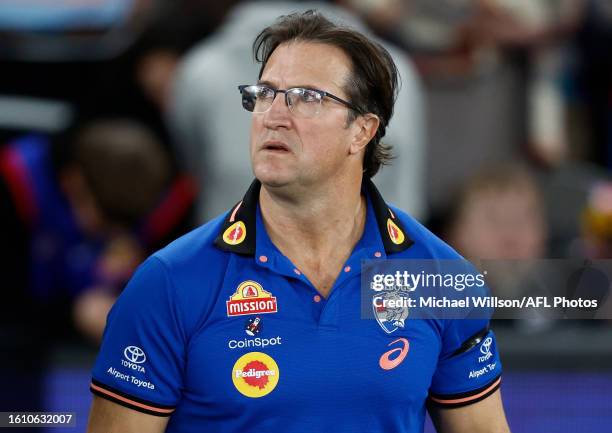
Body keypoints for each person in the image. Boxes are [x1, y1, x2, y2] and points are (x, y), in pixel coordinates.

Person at [86, 11, 510, 433]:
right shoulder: (169, 282)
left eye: (307, 97)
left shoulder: (440, 278)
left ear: (362, 131)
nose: (273, 115)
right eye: (265, 94)